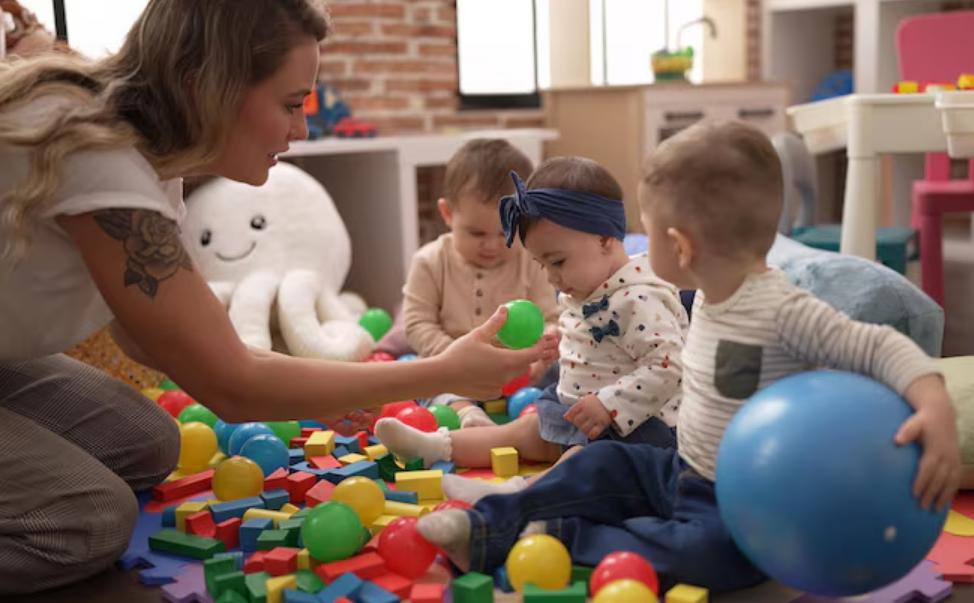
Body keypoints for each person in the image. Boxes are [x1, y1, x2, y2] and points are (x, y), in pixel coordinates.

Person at [0, 0, 555, 594]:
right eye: (291, 104)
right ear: (206, 87)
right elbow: (231, 384)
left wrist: (317, 387)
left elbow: (156, 339)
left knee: (148, 444)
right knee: (90, 520)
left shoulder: (153, 160)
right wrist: (441, 372)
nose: (302, 129)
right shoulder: (99, 156)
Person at [412, 121, 962, 592]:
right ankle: (486, 525)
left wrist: (934, 402)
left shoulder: (781, 309)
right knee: (598, 463)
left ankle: (560, 538)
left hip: (741, 501)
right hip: (680, 467)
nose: (634, 245)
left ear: (680, 246)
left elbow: (876, 343)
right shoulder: (707, 297)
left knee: (709, 555)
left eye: (646, 233)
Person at [375, 156, 687, 503]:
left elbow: (669, 366)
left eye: (557, 262)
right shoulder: (589, 285)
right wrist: (555, 342)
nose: (552, 278)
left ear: (604, 240)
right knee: (525, 429)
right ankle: (433, 447)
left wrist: (609, 404)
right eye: (542, 265)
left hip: (635, 430)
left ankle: (515, 497)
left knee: (583, 461)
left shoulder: (640, 299)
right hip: (580, 414)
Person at [402, 138, 560, 428]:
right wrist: (454, 357)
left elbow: (551, 318)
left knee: (566, 371)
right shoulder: (429, 261)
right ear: (448, 214)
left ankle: (546, 417)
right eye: (476, 233)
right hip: (453, 368)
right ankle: (467, 414)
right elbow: (417, 324)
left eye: (505, 233)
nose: (492, 245)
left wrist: (543, 351)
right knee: (423, 379)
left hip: (519, 372)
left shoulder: (531, 260)